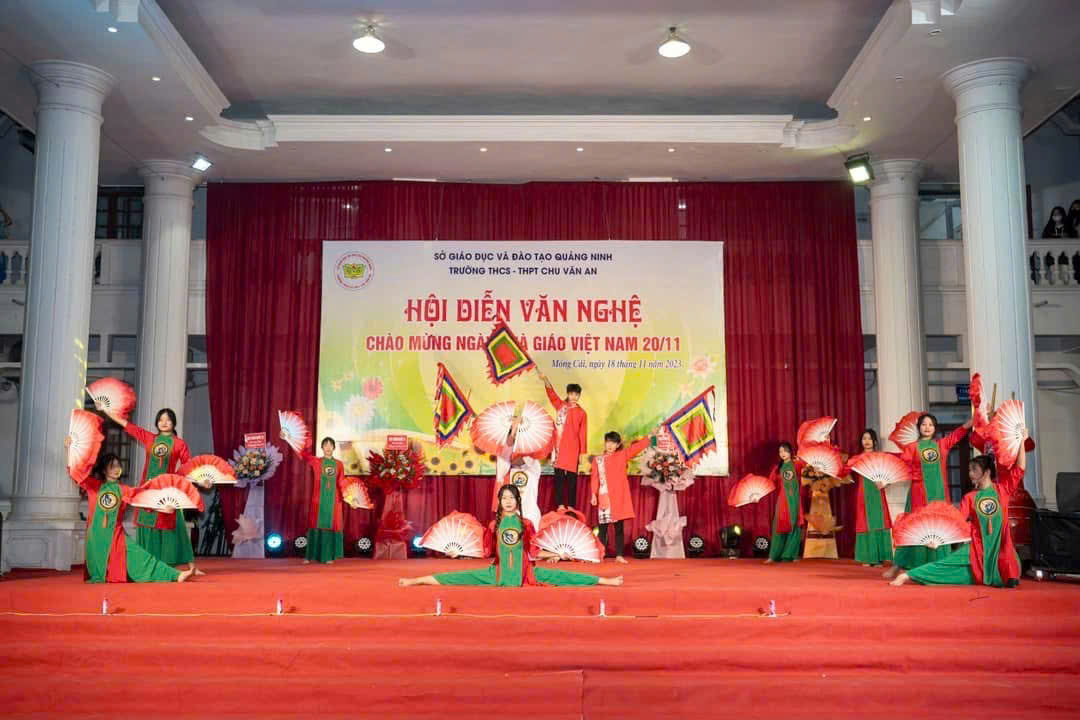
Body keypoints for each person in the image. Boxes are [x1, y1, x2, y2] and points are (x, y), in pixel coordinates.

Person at [399, 485, 623, 587]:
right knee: (455, 578)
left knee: (565, 577)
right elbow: (485, 551)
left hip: (526, 574)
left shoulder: (525, 524)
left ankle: (605, 581)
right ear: (499, 501)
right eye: (504, 498)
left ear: (517, 501)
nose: (508, 501)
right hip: (496, 574)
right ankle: (416, 581)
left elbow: (533, 551)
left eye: (511, 498)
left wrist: (556, 554)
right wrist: (457, 554)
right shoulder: (493, 525)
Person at [892, 430, 1029, 587]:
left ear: (986, 472)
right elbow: (955, 522)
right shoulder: (969, 498)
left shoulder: (1002, 490)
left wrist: (1022, 442)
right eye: (970, 470)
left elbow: (1020, 468)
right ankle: (907, 576)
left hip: (1000, 549)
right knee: (945, 565)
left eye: (974, 470)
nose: (970, 473)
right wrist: (939, 540)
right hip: (976, 549)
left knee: (1012, 567)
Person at [64, 440, 193, 583]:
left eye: (118, 465)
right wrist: (69, 449)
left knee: (140, 556)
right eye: (112, 466)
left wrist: (162, 508)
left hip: (115, 534)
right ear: (104, 470)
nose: (116, 469)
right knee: (104, 568)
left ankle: (174, 575)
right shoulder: (94, 486)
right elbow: (75, 472)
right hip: (96, 535)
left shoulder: (123, 489)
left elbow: (142, 499)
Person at [98, 404, 199, 574]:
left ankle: (182, 566)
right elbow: (126, 424)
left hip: (168, 491)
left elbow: (189, 467)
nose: (164, 422)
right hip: (148, 490)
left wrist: (201, 481)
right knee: (147, 524)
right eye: (161, 419)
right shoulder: (149, 438)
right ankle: (149, 564)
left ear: (174, 423)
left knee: (172, 526)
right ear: (156, 423)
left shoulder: (179, 444)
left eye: (168, 420)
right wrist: (105, 410)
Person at [884, 412, 973, 579]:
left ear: (935, 428)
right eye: (924, 424)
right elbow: (900, 468)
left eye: (930, 425)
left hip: (939, 494)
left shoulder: (942, 445)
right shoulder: (912, 448)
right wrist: (886, 481)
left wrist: (972, 421)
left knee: (938, 527)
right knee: (912, 526)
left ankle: (938, 565)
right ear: (919, 428)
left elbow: (958, 433)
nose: (927, 427)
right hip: (918, 493)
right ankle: (898, 565)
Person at [286, 435, 352, 564]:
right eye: (325, 445)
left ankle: (328, 556)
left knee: (330, 525)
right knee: (315, 524)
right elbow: (303, 453)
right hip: (318, 499)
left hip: (334, 501)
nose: (328, 447)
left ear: (334, 448)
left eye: (330, 445)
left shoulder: (339, 464)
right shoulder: (316, 461)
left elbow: (342, 482)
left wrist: (350, 499)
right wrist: (288, 437)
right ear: (322, 447)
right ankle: (310, 556)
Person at [590, 430, 652, 563]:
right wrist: (593, 494)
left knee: (619, 528)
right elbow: (594, 478)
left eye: (613, 443)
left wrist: (649, 437)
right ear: (605, 443)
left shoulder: (622, 455)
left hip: (617, 497)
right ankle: (600, 555)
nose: (610, 445)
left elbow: (636, 448)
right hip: (603, 496)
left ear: (618, 445)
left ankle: (619, 555)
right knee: (603, 528)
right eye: (608, 442)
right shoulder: (598, 460)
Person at [539, 372, 587, 510]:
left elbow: (583, 433)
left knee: (572, 479)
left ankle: (571, 505)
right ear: (568, 394)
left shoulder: (582, 413)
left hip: (573, 448)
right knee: (559, 478)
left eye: (576, 395)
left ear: (579, 396)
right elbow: (551, 394)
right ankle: (560, 504)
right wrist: (545, 379)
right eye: (572, 394)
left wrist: (581, 454)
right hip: (558, 448)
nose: (574, 397)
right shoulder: (560, 406)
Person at [847, 429, 893, 567]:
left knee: (879, 522)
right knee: (865, 522)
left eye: (869, 438)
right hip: (864, 493)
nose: (866, 441)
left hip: (878, 492)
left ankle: (879, 557)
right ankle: (867, 557)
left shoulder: (880, 457)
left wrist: (885, 483)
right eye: (864, 439)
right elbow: (844, 472)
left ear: (875, 441)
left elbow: (890, 474)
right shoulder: (857, 459)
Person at [490, 413, 543, 532]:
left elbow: (528, 457)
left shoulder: (534, 467)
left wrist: (520, 431)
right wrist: (513, 431)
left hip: (531, 518)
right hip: (510, 519)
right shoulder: (505, 468)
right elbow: (505, 455)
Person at [764, 442, 806, 564]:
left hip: (795, 500)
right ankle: (774, 556)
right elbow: (769, 484)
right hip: (782, 501)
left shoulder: (797, 464)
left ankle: (790, 555)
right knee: (779, 526)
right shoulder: (777, 468)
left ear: (790, 452)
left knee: (795, 526)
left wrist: (802, 461)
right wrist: (759, 494)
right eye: (780, 451)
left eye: (785, 451)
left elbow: (808, 468)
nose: (782, 453)